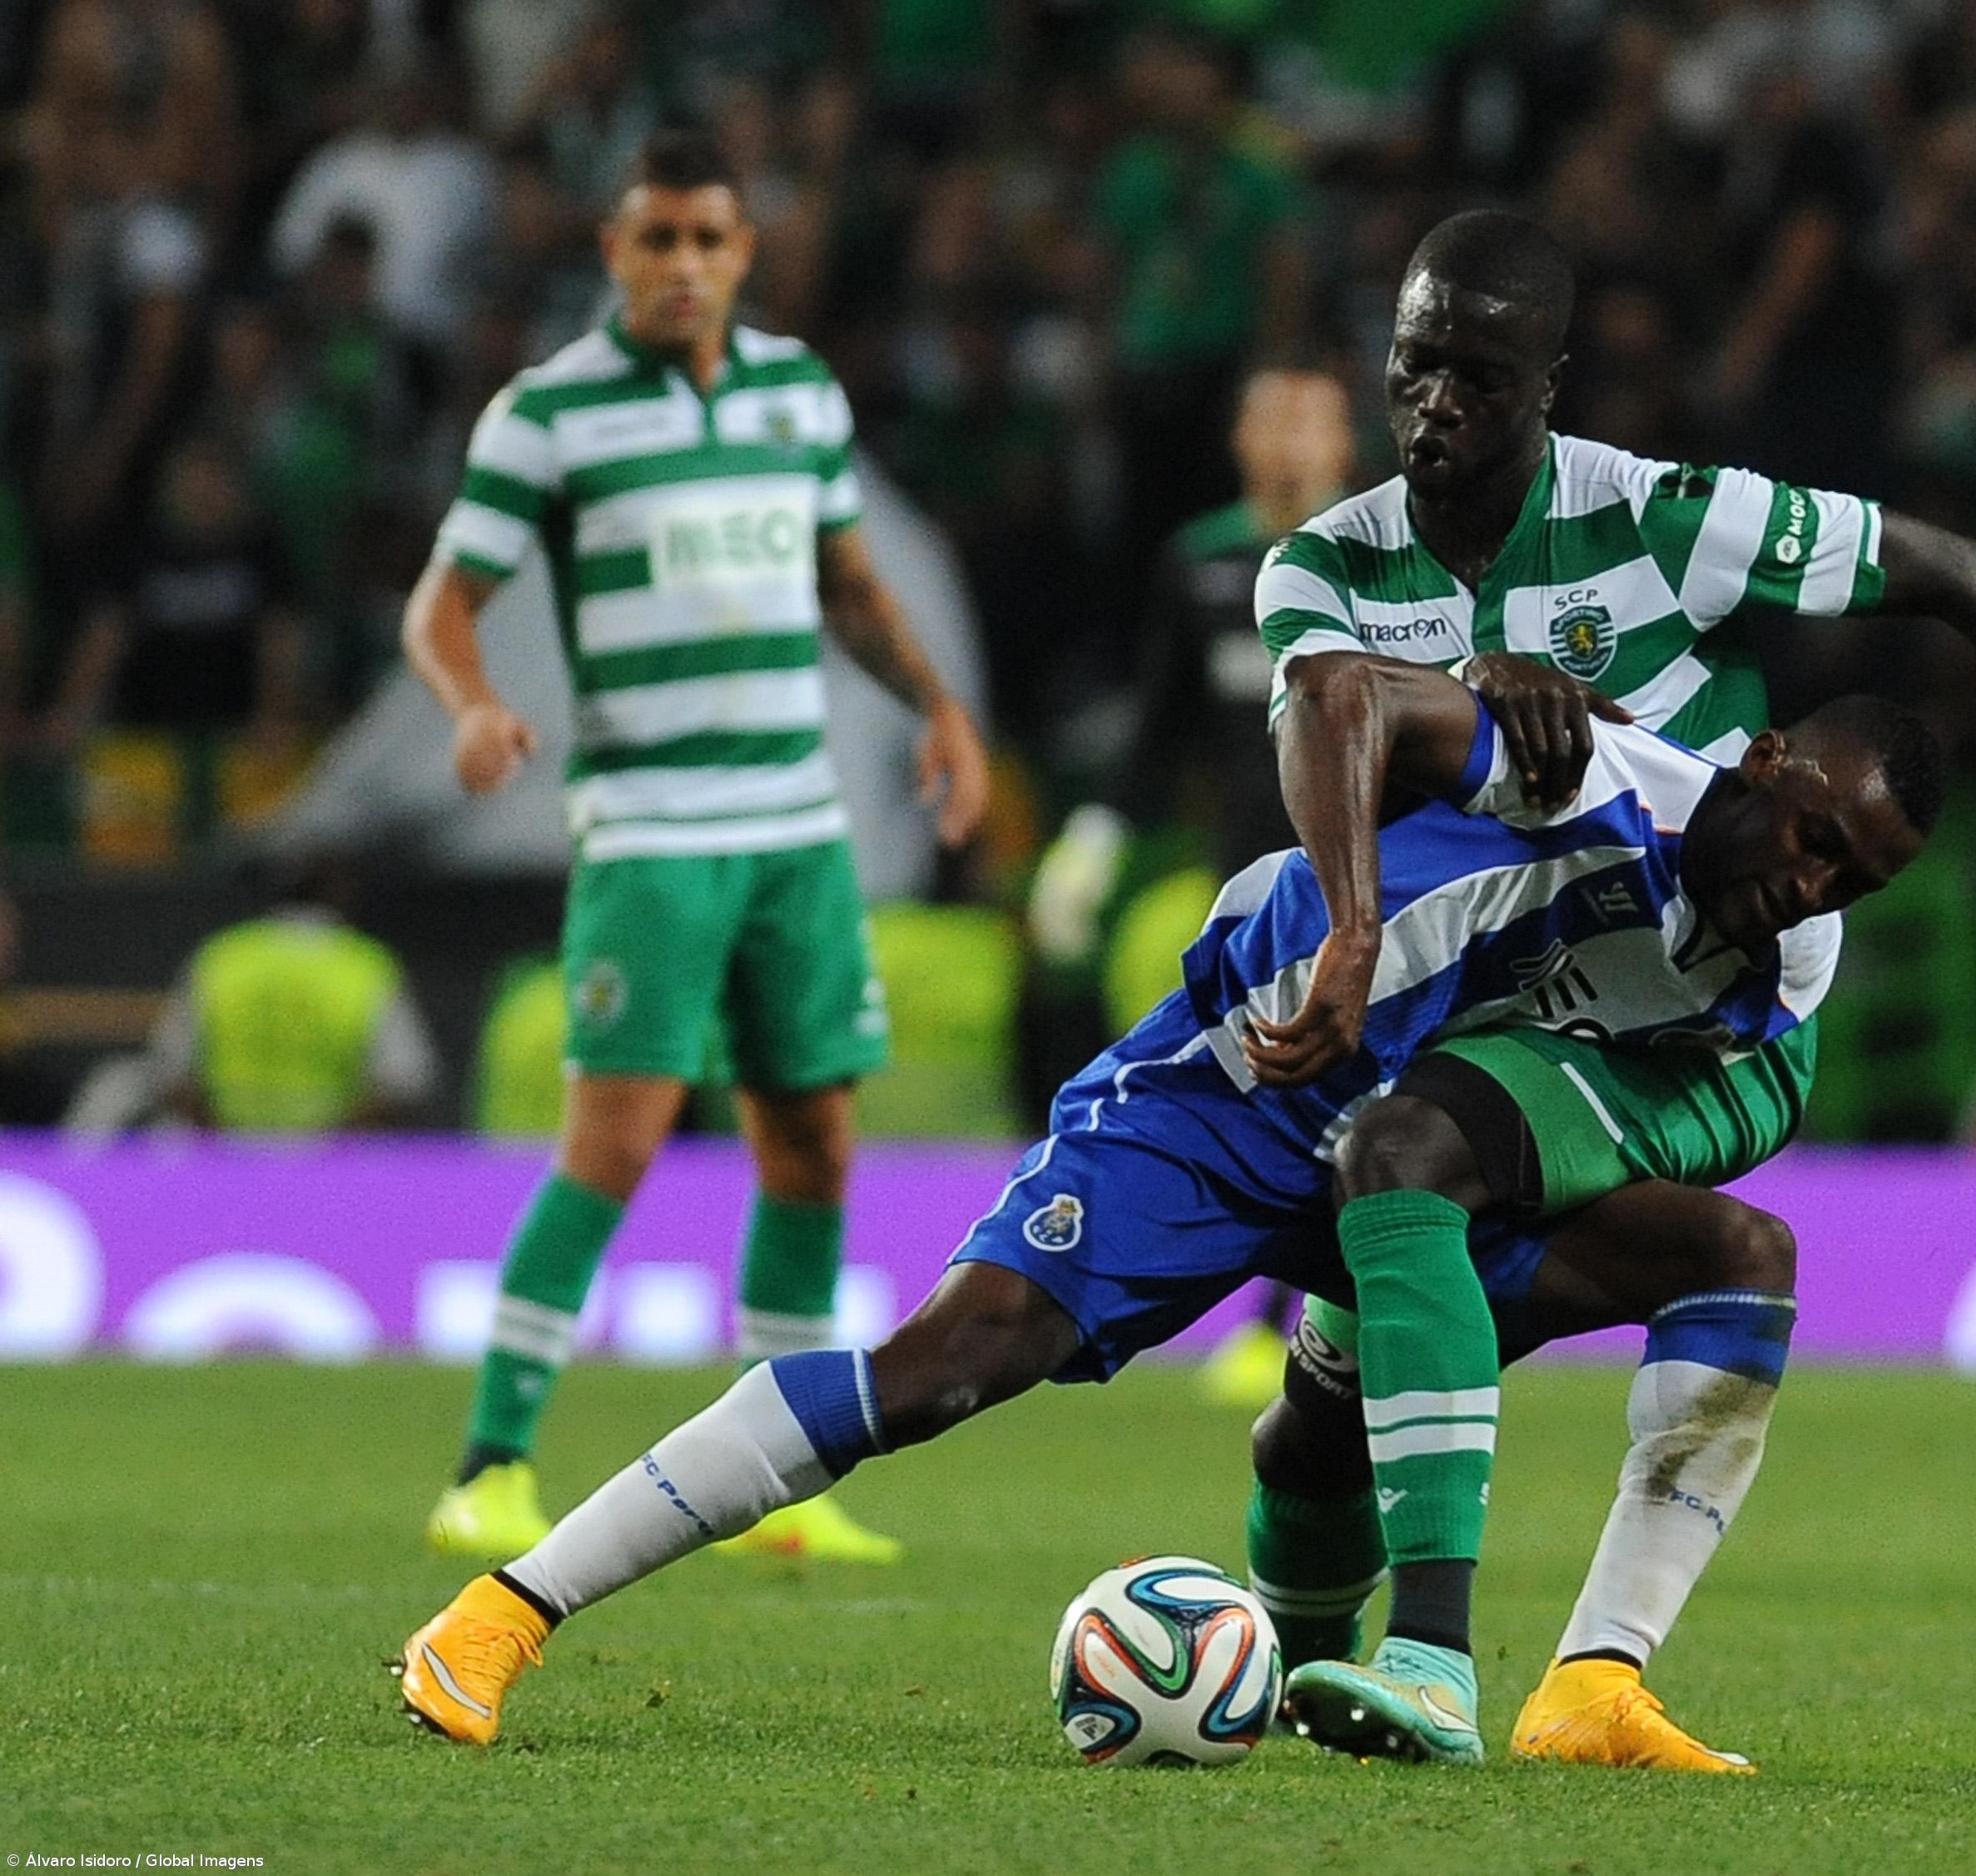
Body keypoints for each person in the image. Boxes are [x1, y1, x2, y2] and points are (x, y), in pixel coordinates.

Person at [393, 663, 1939, 1751]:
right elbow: (1338, 696)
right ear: (1761, 763)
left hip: (1419, 1143)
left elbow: (1746, 1095)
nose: (1815, 886)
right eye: (1815, 838)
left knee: (1735, 1255)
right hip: (1230, 1088)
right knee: (945, 1365)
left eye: (1852, 878)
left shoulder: (1782, 959)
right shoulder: (1581, 771)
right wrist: (1370, 890)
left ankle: (1581, 1681)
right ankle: (505, 1610)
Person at [1239, 209, 1976, 1769]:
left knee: (1405, 1169)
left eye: (1484, 372)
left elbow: (1953, 569)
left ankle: (1464, 1662)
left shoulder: (1664, 518)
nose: (1441, 400)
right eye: (1419, 364)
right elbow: (1328, 737)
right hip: (1486, 991)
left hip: (1703, 1020)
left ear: (1548, 383)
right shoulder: (1332, 561)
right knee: (1340, 1389)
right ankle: (1364, 1676)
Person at [403, 130, 990, 1566]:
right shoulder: (550, 413)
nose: (683, 264)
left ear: (744, 251)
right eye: (657, 238)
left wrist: (937, 708)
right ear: (614, 250)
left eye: (707, 239)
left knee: (814, 1141)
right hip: (651, 828)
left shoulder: (799, 394)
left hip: (796, 827)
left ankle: (777, 1481)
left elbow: (847, 587)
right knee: (615, 1139)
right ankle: (488, 1466)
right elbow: (443, 601)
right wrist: (471, 704)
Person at [1022, 360, 1357, 1406]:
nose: (1290, 445)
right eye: (1272, 422)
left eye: (1309, 423)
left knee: (1336, 1101)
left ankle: (1279, 1324)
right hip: (1249, 896)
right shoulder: (1202, 563)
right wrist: (1092, 840)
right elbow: (1159, 728)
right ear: (1240, 440)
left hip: (1370, 884)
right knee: (1268, 1102)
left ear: (1345, 443)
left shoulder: (1389, 557)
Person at [146, 864, 438, 1132]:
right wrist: (325, 1144)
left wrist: (224, 1140)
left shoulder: (222, 956)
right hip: (334, 1163)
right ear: (340, 895)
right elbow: (405, 1080)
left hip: (229, 1155)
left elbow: (171, 1072)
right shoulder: (366, 966)